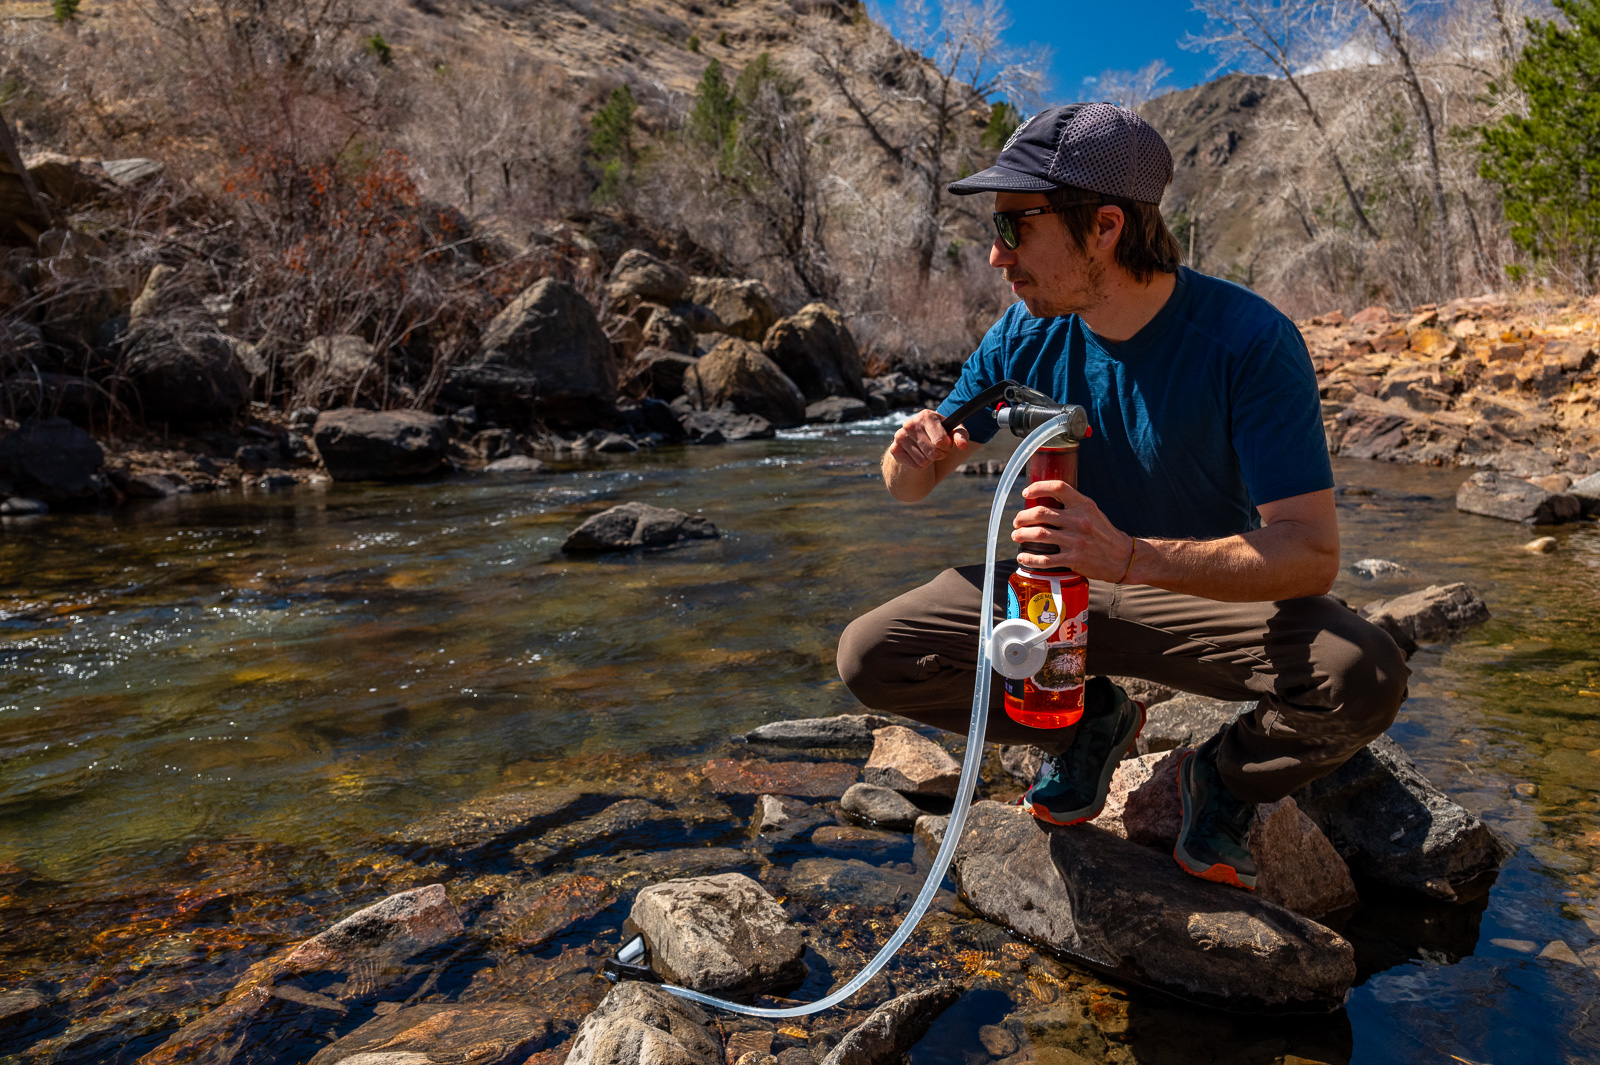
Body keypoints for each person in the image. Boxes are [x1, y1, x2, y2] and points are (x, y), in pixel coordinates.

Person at [836, 103, 1409, 890]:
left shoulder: (1248, 341)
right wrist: (908, 456)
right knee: (873, 654)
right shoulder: (1021, 336)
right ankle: (1087, 723)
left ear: (1105, 226)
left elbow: (1311, 553)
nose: (998, 256)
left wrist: (1130, 556)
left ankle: (1224, 778)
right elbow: (913, 483)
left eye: (1015, 226)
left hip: (1198, 598)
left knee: (1363, 673)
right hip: (1059, 600)